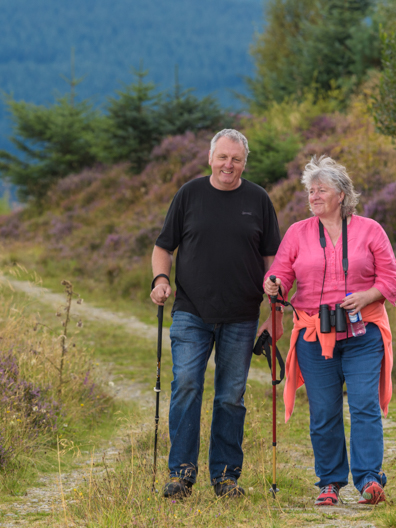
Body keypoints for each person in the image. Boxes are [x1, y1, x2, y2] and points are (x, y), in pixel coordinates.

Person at [150, 129, 281, 498]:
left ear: (244, 162)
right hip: (191, 311)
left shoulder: (258, 199)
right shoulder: (189, 195)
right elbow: (163, 248)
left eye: (236, 159)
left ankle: (225, 478)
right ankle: (181, 473)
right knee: (187, 385)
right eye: (223, 157)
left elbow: (274, 259)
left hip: (242, 314)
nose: (229, 165)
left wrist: (276, 291)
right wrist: (161, 279)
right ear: (210, 158)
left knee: (230, 396)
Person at [263, 155, 396, 506]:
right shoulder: (298, 232)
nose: (314, 196)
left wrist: (367, 296)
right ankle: (329, 482)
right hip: (313, 334)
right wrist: (273, 285)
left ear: (341, 194)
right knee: (324, 410)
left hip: (362, 333)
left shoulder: (370, 229)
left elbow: (391, 279)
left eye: (321, 190)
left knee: (364, 405)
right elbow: (280, 273)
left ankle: (369, 479)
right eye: (311, 191)